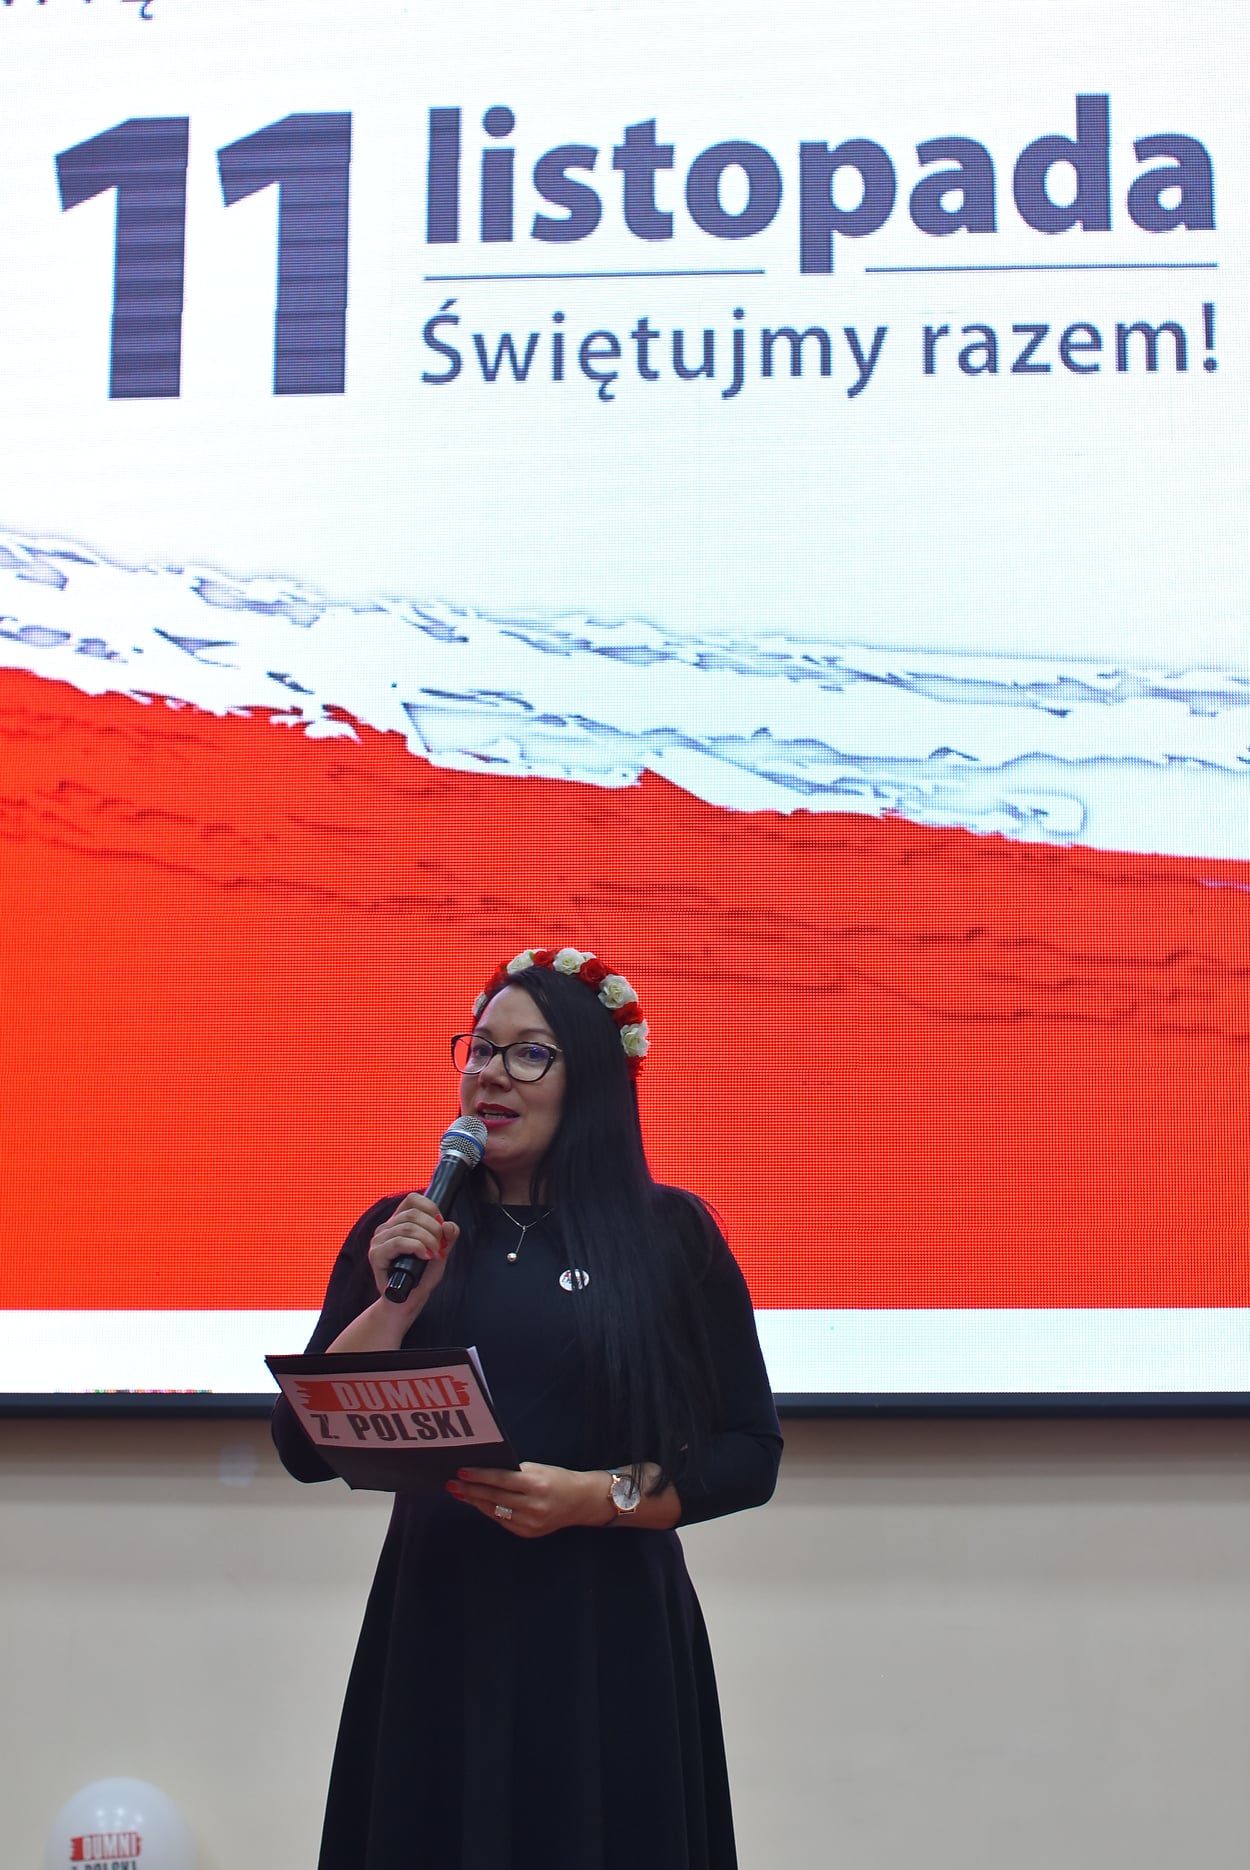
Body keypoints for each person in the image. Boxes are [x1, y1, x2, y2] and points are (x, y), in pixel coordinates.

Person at [272, 942, 783, 1870]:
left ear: (591, 1080)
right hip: (439, 1627)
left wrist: (598, 1497)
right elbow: (304, 1448)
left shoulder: (669, 1237)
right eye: (479, 1049)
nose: (489, 1074)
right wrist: (395, 1306)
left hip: (608, 1632)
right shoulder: (405, 1236)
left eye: (528, 1054)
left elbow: (749, 1452)